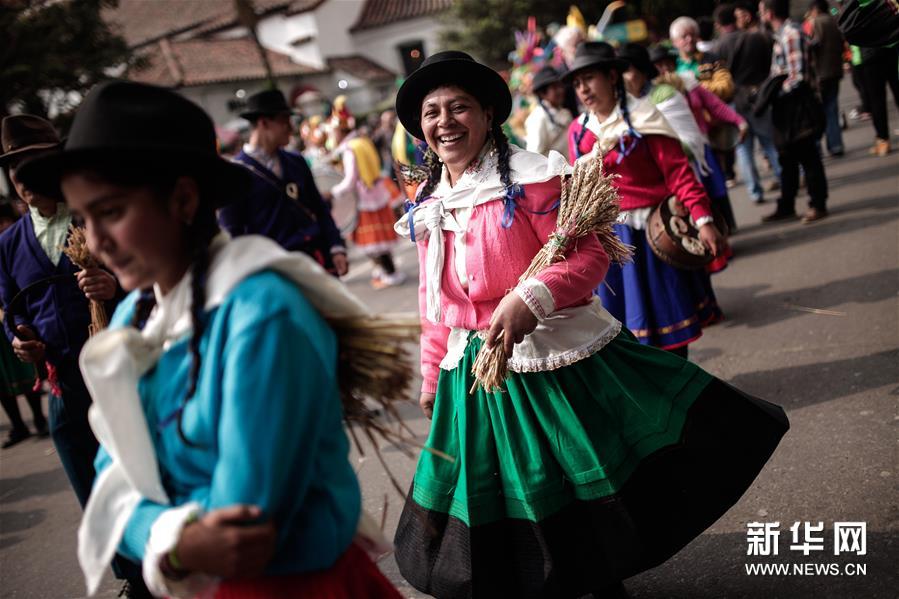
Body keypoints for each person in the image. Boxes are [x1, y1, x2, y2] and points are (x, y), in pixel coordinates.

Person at [391, 49, 789, 599]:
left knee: (579, 481)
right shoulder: (429, 204)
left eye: (459, 107)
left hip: (552, 359)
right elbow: (433, 299)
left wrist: (531, 297)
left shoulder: (535, 179)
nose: (445, 122)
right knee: (506, 493)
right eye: (432, 113)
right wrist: (433, 373)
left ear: (488, 114)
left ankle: (603, 582)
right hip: (476, 375)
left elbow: (589, 257)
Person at [18, 80, 402, 599]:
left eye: (110, 212)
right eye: (84, 219)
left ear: (182, 199)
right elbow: (112, 483)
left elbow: (242, 526)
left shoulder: (262, 315)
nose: (97, 242)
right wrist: (179, 540)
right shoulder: (136, 316)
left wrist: (157, 529)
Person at [0, 114, 148, 597]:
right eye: (13, 167)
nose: (22, 177)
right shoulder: (8, 244)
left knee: (142, 472)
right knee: (91, 483)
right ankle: (132, 576)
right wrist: (19, 339)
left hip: (122, 370)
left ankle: (166, 564)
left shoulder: (95, 218)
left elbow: (150, 283)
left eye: (31, 162)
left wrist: (114, 288)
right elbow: (10, 309)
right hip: (63, 381)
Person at [567, 42, 725, 355]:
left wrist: (703, 219)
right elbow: (578, 190)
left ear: (612, 77)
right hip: (609, 242)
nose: (583, 89)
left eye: (589, 78)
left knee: (669, 328)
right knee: (622, 335)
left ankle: (679, 382)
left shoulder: (644, 118)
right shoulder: (579, 131)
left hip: (653, 235)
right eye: (577, 83)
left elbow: (679, 174)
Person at [220, 89, 349, 276]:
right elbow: (233, 233)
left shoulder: (296, 161)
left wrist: (336, 246)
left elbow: (319, 208)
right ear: (264, 123)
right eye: (284, 121)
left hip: (318, 262)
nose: (291, 127)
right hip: (277, 273)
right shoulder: (234, 174)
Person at [620, 42, 743, 234]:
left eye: (627, 70)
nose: (623, 77)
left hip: (684, 169)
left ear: (642, 70)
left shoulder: (665, 94)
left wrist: (657, 155)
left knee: (699, 221)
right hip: (649, 189)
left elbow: (703, 119)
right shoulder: (622, 106)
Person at [758, 0, 830, 224]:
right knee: (787, 158)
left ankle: (818, 204)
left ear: (769, 13)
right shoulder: (784, 33)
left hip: (797, 106)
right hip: (788, 107)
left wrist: (773, 93)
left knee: (808, 157)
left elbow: (798, 77)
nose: (759, 15)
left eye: (761, 11)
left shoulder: (791, 34)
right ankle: (787, 205)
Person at [714, 2, 783, 204]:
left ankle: (755, 192)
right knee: (770, 143)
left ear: (719, 24)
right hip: (759, 97)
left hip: (734, 103)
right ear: (735, 18)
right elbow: (768, 65)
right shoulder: (756, 38)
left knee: (743, 150)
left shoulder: (718, 47)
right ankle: (786, 180)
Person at [329, 114, 406, 289]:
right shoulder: (361, 141)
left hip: (364, 199)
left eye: (334, 132)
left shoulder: (350, 148)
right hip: (376, 193)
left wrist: (332, 192)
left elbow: (350, 180)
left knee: (374, 242)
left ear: (341, 131)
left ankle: (389, 273)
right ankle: (386, 271)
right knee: (380, 240)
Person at [0, 202, 48, 448]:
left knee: (27, 368)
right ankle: (18, 424)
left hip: (12, 319)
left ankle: (39, 418)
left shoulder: (15, 243)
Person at [805, 0, 846, 157]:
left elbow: (815, 43)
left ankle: (817, 147)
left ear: (815, 9)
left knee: (818, 112)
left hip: (821, 73)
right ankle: (836, 145)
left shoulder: (817, 22)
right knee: (832, 108)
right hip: (835, 70)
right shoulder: (834, 20)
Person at [525, 65, 574, 159]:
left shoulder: (565, 112)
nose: (561, 90)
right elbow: (535, 155)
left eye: (560, 86)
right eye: (555, 88)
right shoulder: (538, 118)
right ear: (542, 93)